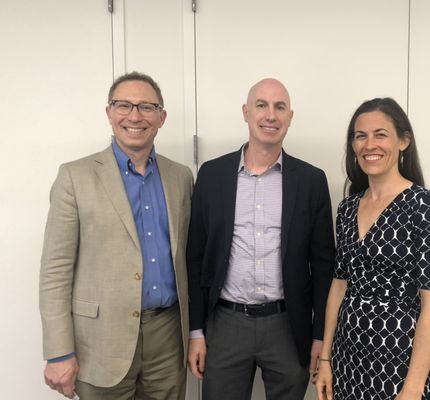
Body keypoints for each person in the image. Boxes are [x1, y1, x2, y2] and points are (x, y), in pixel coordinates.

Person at [39, 71, 193, 399]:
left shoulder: (180, 177)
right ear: (109, 113)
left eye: (147, 107)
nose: (135, 116)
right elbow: (55, 272)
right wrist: (58, 352)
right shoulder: (74, 177)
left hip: (166, 338)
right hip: (99, 341)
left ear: (162, 117)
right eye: (124, 105)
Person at [186, 78, 335, 400]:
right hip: (225, 324)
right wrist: (196, 331)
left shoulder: (311, 181)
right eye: (262, 105)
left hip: (288, 325)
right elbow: (195, 257)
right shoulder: (212, 176)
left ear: (290, 116)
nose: (271, 115)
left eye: (280, 107)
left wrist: (321, 337)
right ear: (246, 112)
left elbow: (324, 267)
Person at [316, 98, 430, 400]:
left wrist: (414, 388)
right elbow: (339, 287)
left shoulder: (424, 206)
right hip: (347, 359)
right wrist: (326, 359)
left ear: (404, 141)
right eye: (360, 135)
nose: (369, 144)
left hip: (399, 364)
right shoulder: (348, 208)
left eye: (381, 134)